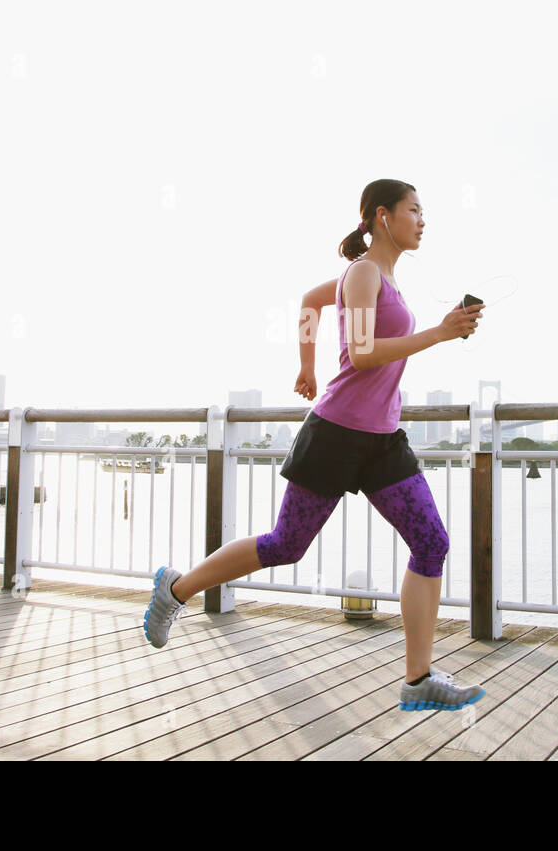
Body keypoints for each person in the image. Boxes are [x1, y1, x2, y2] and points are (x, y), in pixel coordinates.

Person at [144, 178, 487, 712]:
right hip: (336, 434)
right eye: (414, 210)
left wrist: (307, 364)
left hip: (382, 439)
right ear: (381, 216)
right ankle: (176, 588)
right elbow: (365, 352)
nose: (423, 220)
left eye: (423, 212)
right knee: (285, 545)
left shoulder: (382, 277)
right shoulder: (365, 271)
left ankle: (418, 679)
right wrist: (439, 334)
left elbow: (309, 301)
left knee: (431, 543)